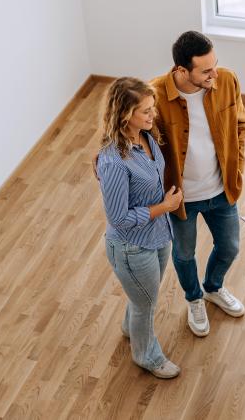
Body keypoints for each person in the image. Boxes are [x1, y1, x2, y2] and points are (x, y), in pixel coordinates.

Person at [151, 31, 245, 337]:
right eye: (205, 71)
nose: (214, 74)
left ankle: (213, 288)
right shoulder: (153, 95)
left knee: (230, 247)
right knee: (184, 254)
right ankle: (194, 299)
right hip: (182, 197)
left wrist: (238, 165)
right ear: (181, 70)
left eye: (214, 65)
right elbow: (137, 141)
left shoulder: (227, 81)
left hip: (222, 189)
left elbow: (240, 125)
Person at [96, 77, 184, 379]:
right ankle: (147, 355)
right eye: (145, 111)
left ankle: (129, 327)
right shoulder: (113, 162)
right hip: (132, 247)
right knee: (147, 303)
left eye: (152, 108)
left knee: (143, 296)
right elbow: (118, 218)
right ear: (125, 115)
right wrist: (164, 208)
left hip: (159, 234)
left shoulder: (146, 137)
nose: (153, 115)